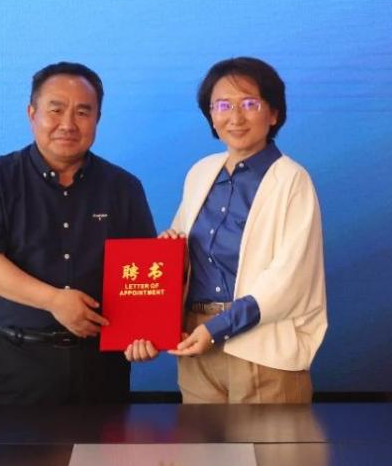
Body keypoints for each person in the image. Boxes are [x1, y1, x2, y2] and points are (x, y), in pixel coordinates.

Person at [126, 56, 326, 403]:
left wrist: (216, 329)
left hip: (263, 351)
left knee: (270, 442)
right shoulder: (201, 173)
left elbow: (290, 279)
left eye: (249, 104)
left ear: (273, 113)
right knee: (199, 441)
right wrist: (150, 325)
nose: (235, 117)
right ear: (211, 115)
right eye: (222, 105)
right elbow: (180, 263)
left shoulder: (292, 180)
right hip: (195, 345)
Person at [0, 61, 156, 405]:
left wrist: (144, 331)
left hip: (101, 365)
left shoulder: (123, 187)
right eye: (56, 110)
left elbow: (144, 272)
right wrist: (54, 300)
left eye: (82, 112)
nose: (68, 124)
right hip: (17, 362)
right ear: (32, 113)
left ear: (97, 119)